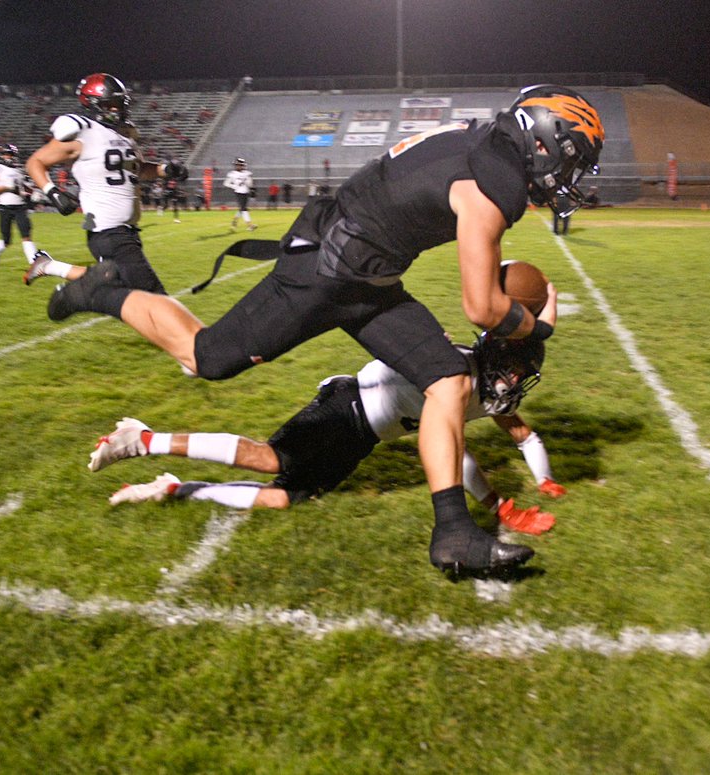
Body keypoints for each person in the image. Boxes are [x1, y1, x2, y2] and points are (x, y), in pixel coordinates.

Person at [40, 84, 603, 577]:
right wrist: (534, 330)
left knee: (450, 378)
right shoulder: (494, 175)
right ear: (551, 143)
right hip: (332, 269)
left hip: (366, 274)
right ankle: (103, 291)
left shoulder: (480, 144)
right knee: (206, 356)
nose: (572, 177)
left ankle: (452, 532)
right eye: (576, 161)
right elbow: (482, 307)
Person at [95, 333, 567, 535]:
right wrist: (498, 506)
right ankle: (145, 439)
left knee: (283, 499)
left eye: (520, 376)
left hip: (362, 437)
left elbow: (523, 435)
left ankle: (175, 488)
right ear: (494, 360)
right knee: (271, 459)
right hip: (348, 405)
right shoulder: (451, 374)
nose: (513, 384)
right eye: (512, 371)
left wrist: (543, 479)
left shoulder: (486, 392)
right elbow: (453, 458)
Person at [22, 73, 189, 291]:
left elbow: (137, 170)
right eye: (111, 104)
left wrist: (166, 169)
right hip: (108, 231)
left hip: (127, 231)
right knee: (154, 298)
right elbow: (36, 162)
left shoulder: (125, 135)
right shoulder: (84, 131)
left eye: (120, 103)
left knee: (115, 281)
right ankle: (69, 296)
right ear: (92, 104)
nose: (117, 109)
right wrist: (52, 192)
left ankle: (50, 267)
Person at [0, 143, 40, 268]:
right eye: (6, 154)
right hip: (5, 207)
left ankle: (35, 264)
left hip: (20, 206)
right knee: (6, 240)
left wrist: (34, 192)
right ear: (1, 155)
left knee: (26, 235)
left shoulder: (18, 169)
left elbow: (23, 186)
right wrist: (5, 187)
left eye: (10, 154)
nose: (8, 156)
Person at [223, 157, 256, 230]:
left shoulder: (247, 173)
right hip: (238, 192)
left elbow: (250, 184)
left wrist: (249, 184)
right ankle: (250, 225)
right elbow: (226, 183)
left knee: (242, 209)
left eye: (241, 165)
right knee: (244, 209)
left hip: (246, 192)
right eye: (238, 165)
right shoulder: (232, 174)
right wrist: (233, 186)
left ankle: (234, 222)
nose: (240, 166)